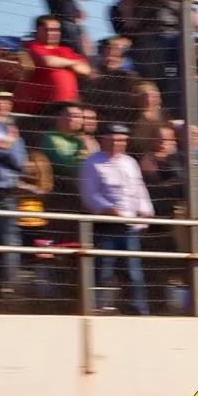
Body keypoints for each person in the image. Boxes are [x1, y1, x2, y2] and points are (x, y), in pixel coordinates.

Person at [79, 121, 154, 314]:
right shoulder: (92, 163)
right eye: (112, 139)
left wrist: (145, 211)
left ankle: (138, 311)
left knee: (133, 273)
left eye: (121, 140)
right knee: (103, 269)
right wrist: (108, 209)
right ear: (102, 140)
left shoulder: (130, 162)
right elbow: (90, 194)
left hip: (130, 226)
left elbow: (139, 189)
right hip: (106, 226)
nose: (117, 143)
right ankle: (95, 307)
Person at [0, 90, 27, 295]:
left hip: (7, 192)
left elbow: (20, 163)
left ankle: (9, 287)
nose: (3, 105)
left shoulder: (12, 131)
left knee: (10, 239)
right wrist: (7, 144)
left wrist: (5, 146)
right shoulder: (11, 134)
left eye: (7, 102)